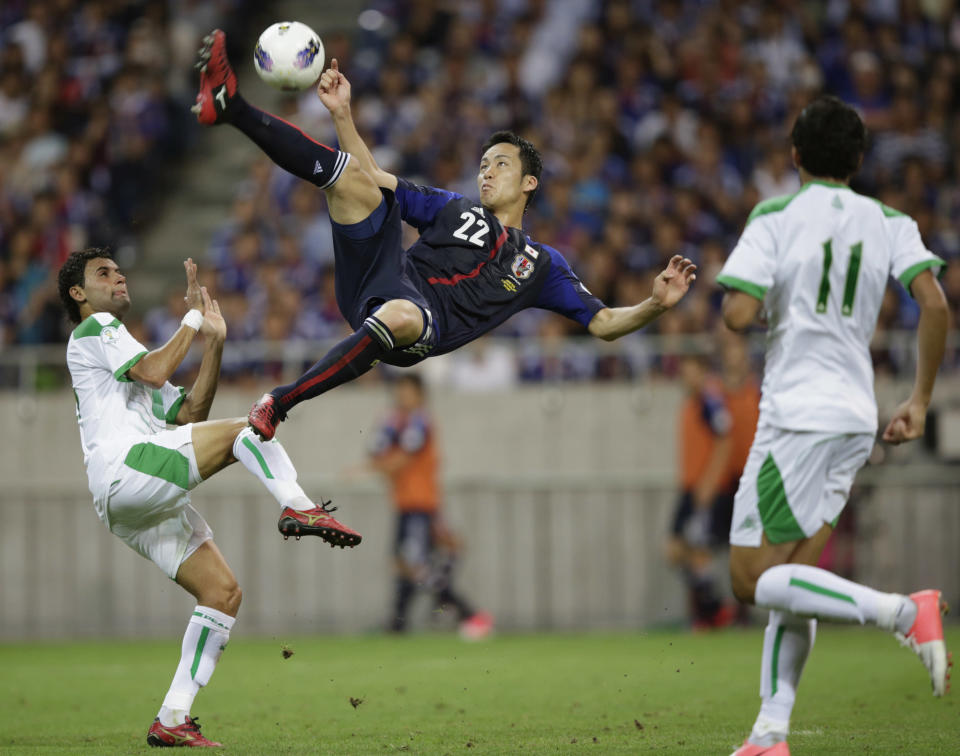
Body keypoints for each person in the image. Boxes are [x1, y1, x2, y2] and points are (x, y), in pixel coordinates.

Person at [190, 30, 697, 441]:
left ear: (529, 183)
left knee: (403, 313)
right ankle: (229, 105)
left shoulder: (541, 264)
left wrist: (654, 304)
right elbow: (375, 179)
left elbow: (604, 323)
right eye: (483, 164)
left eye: (500, 164)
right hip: (375, 279)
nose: (487, 172)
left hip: (420, 326)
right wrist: (342, 114)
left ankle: (279, 402)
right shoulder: (452, 207)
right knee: (350, 180)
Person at [717, 96, 951, 756]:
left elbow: (737, 316)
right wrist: (921, 399)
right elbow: (934, 303)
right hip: (856, 415)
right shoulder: (889, 221)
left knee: (748, 578)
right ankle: (770, 733)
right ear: (857, 160)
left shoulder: (776, 216)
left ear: (794, 157)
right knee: (793, 582)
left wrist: (740, 293)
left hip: (795, 414)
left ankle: (903, 612)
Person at [58, 248, 361, 748]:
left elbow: (192, 412)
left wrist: (214, 343)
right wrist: (193, 318)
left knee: (222, 595)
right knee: (252, 429)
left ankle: (173, 716)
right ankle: (297, 505)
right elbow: (156, 372)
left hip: (127, 500)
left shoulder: (123, 358)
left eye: (118, 269)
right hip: (126, 470)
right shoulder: (94, 332)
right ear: (78, 293)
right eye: (103, 273)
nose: (118, 277)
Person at [368, 373, 492, 638]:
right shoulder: (395, 422)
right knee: (403, 563)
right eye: (399, 391)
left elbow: (401, 458)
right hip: (404, 502)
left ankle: (470, 615)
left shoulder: (420, 421)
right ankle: (397, 624)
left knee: (416, 565)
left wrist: (374, 466)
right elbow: (379, 452)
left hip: (420, 503)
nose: (402, 396)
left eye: (408, 391)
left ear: (420, 395)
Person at [666, 354, 737, 629]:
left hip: (705, 489)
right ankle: (714, 609)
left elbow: (725, 440)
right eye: (684, 372)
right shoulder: (692, 402)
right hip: (690, 488)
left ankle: (711, 615)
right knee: (675, 549)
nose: (687, 377)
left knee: (699, 550)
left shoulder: (711, 401)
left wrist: (709, 482)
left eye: (692, 371)